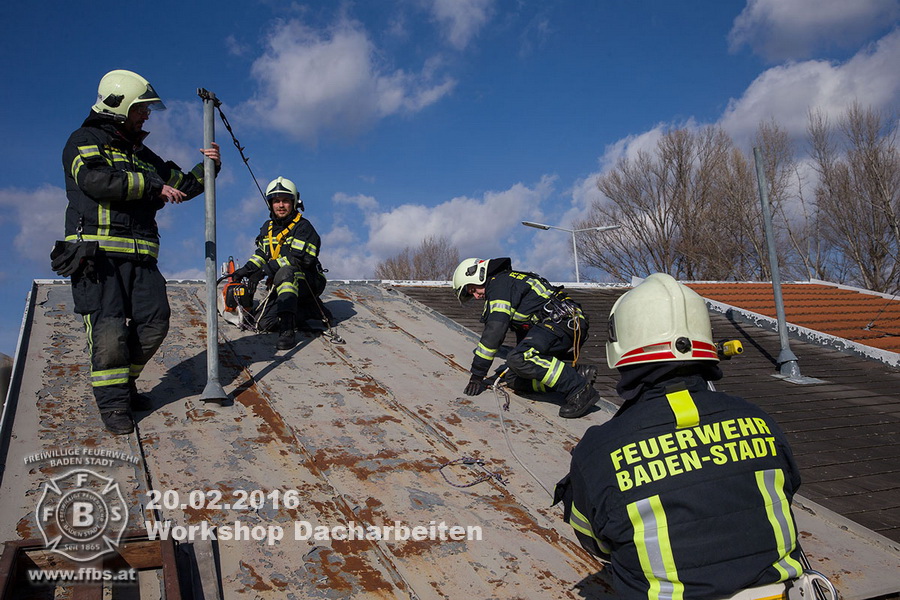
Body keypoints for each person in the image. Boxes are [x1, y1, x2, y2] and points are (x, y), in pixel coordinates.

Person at [554, 273, 804, 599]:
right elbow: (787, 491)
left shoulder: (598, 451)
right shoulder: (759, 421)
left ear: (621, 351)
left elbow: (596, 543)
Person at [57, 69, 221, 435]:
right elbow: (95, 181)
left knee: (155, 321)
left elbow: (181, 185)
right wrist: (151, 186)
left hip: (142, 258)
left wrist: (210, 167)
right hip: (97, 257)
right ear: (119, 106)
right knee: (109, 331)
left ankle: (123, 383)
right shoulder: (83, 141)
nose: (146, 115)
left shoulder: (141, 154)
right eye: (140, 109)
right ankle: (114, 403)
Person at [451, 257, 600, 418]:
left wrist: (477, 375)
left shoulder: (498, 284)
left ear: (478, 275)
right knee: (513, 377)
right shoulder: (506, 283)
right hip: (556, 324)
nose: (476, 296)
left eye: (473, 290)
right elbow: (525, 333)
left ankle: (579, 390)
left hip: (563, 322)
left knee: (520, 357)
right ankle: (575, 373)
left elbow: (494, 332)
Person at [228, 176, 328, 351]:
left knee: (286, 272)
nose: (281, 205)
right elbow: (262, 254)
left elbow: (298, 259)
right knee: (264, 323)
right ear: (270, 204)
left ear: (294, 202)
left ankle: (288, 330)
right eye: (276, 201)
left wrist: (265, 271)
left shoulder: (303, 228)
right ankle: (308, 311)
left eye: (285, 201)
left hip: (308, 281)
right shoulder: (267, 228)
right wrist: (246, 270)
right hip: (282, 284)